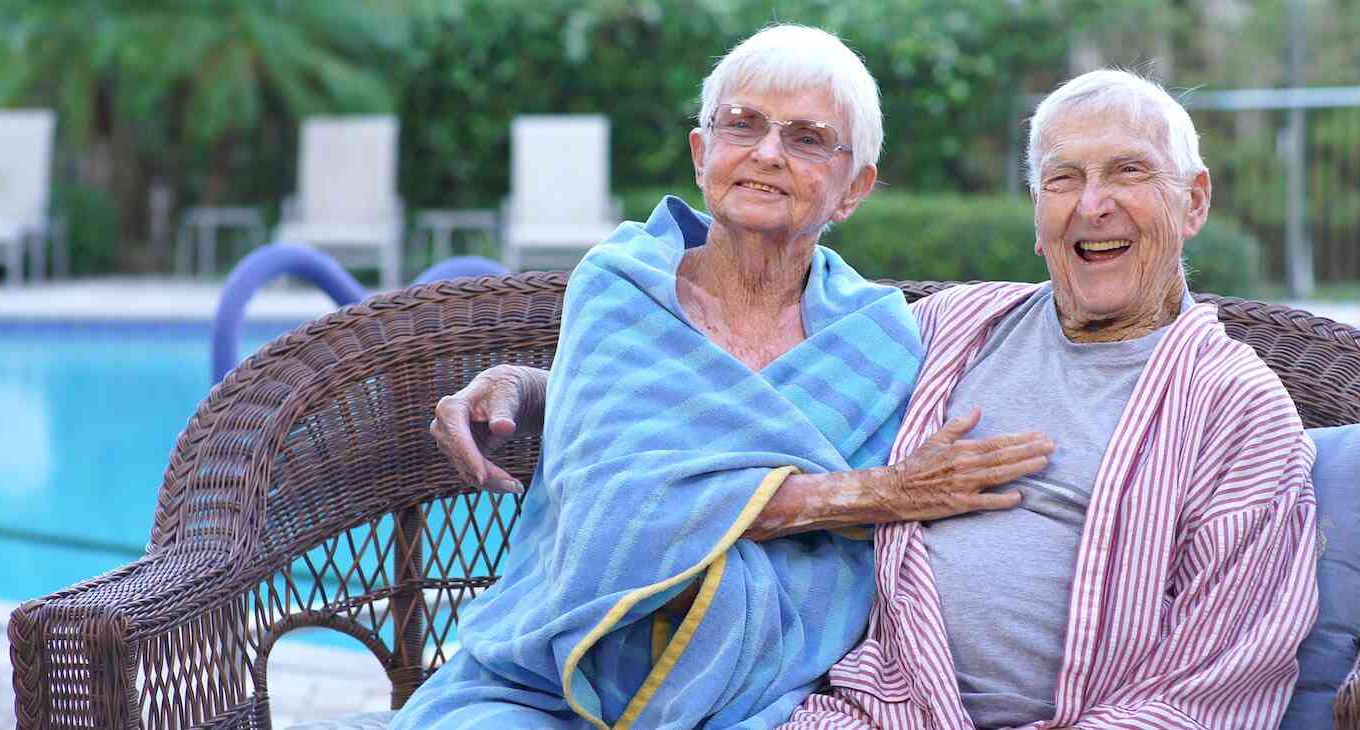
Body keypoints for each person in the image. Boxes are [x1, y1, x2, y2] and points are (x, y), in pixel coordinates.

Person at [433, 67, 1321, 730]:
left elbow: (1223, 676)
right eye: (1062, 179)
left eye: (1127, 174)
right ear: (1036, 210)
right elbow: (740, 396)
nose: (1092, 207)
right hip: (868, 704)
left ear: (1193, 201)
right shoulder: (948, 332)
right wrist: (544, 392)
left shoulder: (1237, 412)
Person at [393, 25, 1053, 730]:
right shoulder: (622, 288)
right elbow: (618, 499)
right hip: (547, 680)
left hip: (770, 688)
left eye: (805, 138)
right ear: (703, 153)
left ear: (853, 188)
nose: (767, 153)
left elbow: (697, 463)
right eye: (742, 124)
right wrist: (879, 493)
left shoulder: (879, 338)